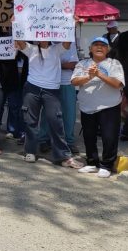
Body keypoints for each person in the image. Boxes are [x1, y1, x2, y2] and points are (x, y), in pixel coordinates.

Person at [14, 39, 83, 169]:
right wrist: (16, 23)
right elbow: (20, 41)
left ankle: (63, 156)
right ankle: (30, 151)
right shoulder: (31, 48)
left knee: (56, 121)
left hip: (51, 89)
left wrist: (71, 22)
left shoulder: (56, 49)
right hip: (32, 88)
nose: (41, 38)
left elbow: (67, 43)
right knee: (30, 121)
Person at [71, 37, 125, 178]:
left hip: (109, 106)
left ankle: (106, 165)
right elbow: (74, 81)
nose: (99, 47)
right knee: (89, 136)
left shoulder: (114, 64)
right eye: (96, 45)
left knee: (109, 137)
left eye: (103, 45)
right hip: (87, 106)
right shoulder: (82, 64)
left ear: (108, 49)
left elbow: (118, 84)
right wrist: (89, 76)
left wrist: (99, 74)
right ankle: (92, 163)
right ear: (90, 49)